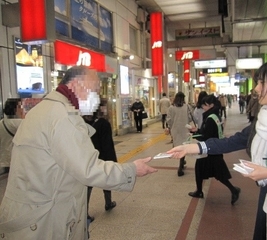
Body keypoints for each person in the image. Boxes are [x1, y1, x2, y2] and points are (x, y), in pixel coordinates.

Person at [167, 59, 267, 240]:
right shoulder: (265, 120)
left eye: (262, 82)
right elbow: (236, 140)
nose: (256, 88)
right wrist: (193, 147)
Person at [0, 66, 157, 240]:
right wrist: (132, 170)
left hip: (29, 212)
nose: (96, 97)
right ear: (77, 84)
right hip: (43, 221)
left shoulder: (42, 109)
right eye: (95, 90)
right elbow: (88, 169)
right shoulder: (62, 116)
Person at [188, 94, 240, 204]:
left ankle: (233, 190)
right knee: (211, 171)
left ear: (211, 105)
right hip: (215, 148)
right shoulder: (215, 116)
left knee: (215, 172)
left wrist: (196, 135)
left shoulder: (210, 118)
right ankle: (200, 191)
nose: (203, 107)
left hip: (210, 150)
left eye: (205, 105)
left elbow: (207, 136)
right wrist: (197, 131)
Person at [83, 104, 117, 223]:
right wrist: (112, 161)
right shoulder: (103, 123)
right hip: (102, 157)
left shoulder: (81, 123)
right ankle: (108, 203)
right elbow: (108, 144)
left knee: (88, 185)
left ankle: (84, 213)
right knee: (106, 180)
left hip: (88, 158)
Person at [166, 92, 192, 177]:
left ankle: (182, 162)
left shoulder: (171, 107)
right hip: (185, 129)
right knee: (183, 147)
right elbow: (190, 118)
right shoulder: (187, 107)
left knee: (178, 146)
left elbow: (169, 120)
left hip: (175, 130)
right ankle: (180, 167)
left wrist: (171, 127)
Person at [0, 98, 23, 174]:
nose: (22, 109)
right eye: (19, 107)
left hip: (4, 159)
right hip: (11, 160)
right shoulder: (16, 123)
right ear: (13, 109)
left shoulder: (4, 121)